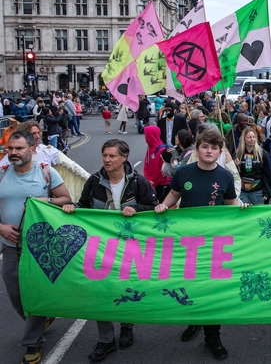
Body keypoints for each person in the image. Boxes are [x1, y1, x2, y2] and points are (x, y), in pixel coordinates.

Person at [62, 139, 158, 361]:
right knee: (100, 292)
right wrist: (72, 207)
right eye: (104, 155)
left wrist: (136, 207)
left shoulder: (138, 182)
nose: (107, 160)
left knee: (126, 288)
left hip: (129, 247)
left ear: (124, 158)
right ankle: (105, 340)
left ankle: (126, 326)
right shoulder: (95, 181)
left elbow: (154, 208)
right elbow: (84, 205)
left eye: (112, 156)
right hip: (101, 248)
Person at [154, 130, 240, 360]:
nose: (209, 151)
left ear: (220, 152)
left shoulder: (225, 177)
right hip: (188, 241)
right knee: (191, 284)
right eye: (205, 147)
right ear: (197, 149)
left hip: (214, 243)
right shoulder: (184, 172)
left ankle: (213, 337)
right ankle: (194, 321)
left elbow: (231, 202)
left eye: (214, 148)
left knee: (211, 290)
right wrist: (164, 205)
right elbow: (174, 193)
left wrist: (243, 210)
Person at [0, 130, 72, 364]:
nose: (12, 153)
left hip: (38, 248)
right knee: (16, 296)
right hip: (10, 248)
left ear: (32, 149)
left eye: (19, 148)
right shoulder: (1, 173)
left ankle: (33, 343)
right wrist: (0, 227)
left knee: (35, 293)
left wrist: (46, 200)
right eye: (10, 148)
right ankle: (41, 319)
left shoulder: (46, 173)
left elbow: (66, 199)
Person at [235, 127, 271, 205]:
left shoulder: (263, 154)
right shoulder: (238, 154)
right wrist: (235, 165)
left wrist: (266, 192)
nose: (252, 139)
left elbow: (267, 174)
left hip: (258, 191)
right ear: (244, 139)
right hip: (242, 192)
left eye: (253, 137)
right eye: (249, 137)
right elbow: (234, 174)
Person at [143, 125, 172, 201]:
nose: (145, 137)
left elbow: (159, 170)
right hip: (152, 183)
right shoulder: (150, 148)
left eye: (146, 135)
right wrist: (147, 179)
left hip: (161, 184)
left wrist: (152, 183)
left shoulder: (161, 150)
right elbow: (146, 164)